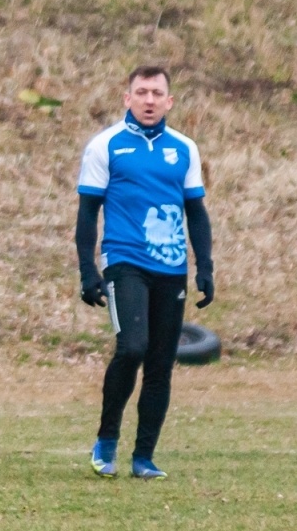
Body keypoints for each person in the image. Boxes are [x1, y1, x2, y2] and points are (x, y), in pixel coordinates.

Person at [76, 66, 213, 480]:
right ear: (127, 98)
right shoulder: (106, 146)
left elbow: (196, 212)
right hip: (124, 262)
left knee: (159, 363)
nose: (149, 100)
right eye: (141, 92)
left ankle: (144, 457)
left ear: (169, 101)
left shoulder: (185, 149)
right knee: (132, 347)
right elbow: (87, 213)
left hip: (171, 267)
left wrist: (204, 266)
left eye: (156, 93)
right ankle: (106, 440)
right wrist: (88, 270)